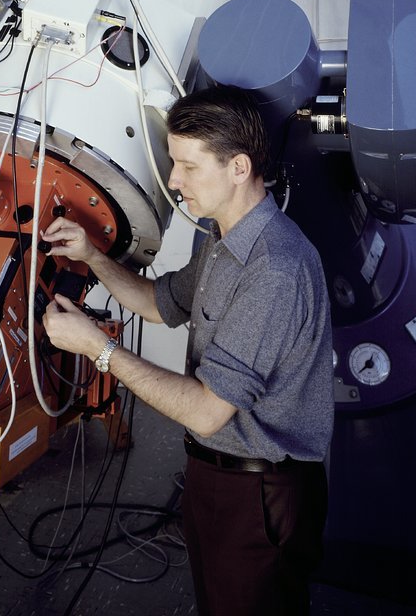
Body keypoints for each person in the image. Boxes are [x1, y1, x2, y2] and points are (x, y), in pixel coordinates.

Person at [42, 84, 334, 616]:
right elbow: (159, 301)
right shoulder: (227, 241)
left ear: (239, 167)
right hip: (214, 473)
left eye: (189, 167)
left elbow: (205, 408)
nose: (173, 182)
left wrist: (97, 349)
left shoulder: (274, 268)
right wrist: (93, 255)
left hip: (259, 491)